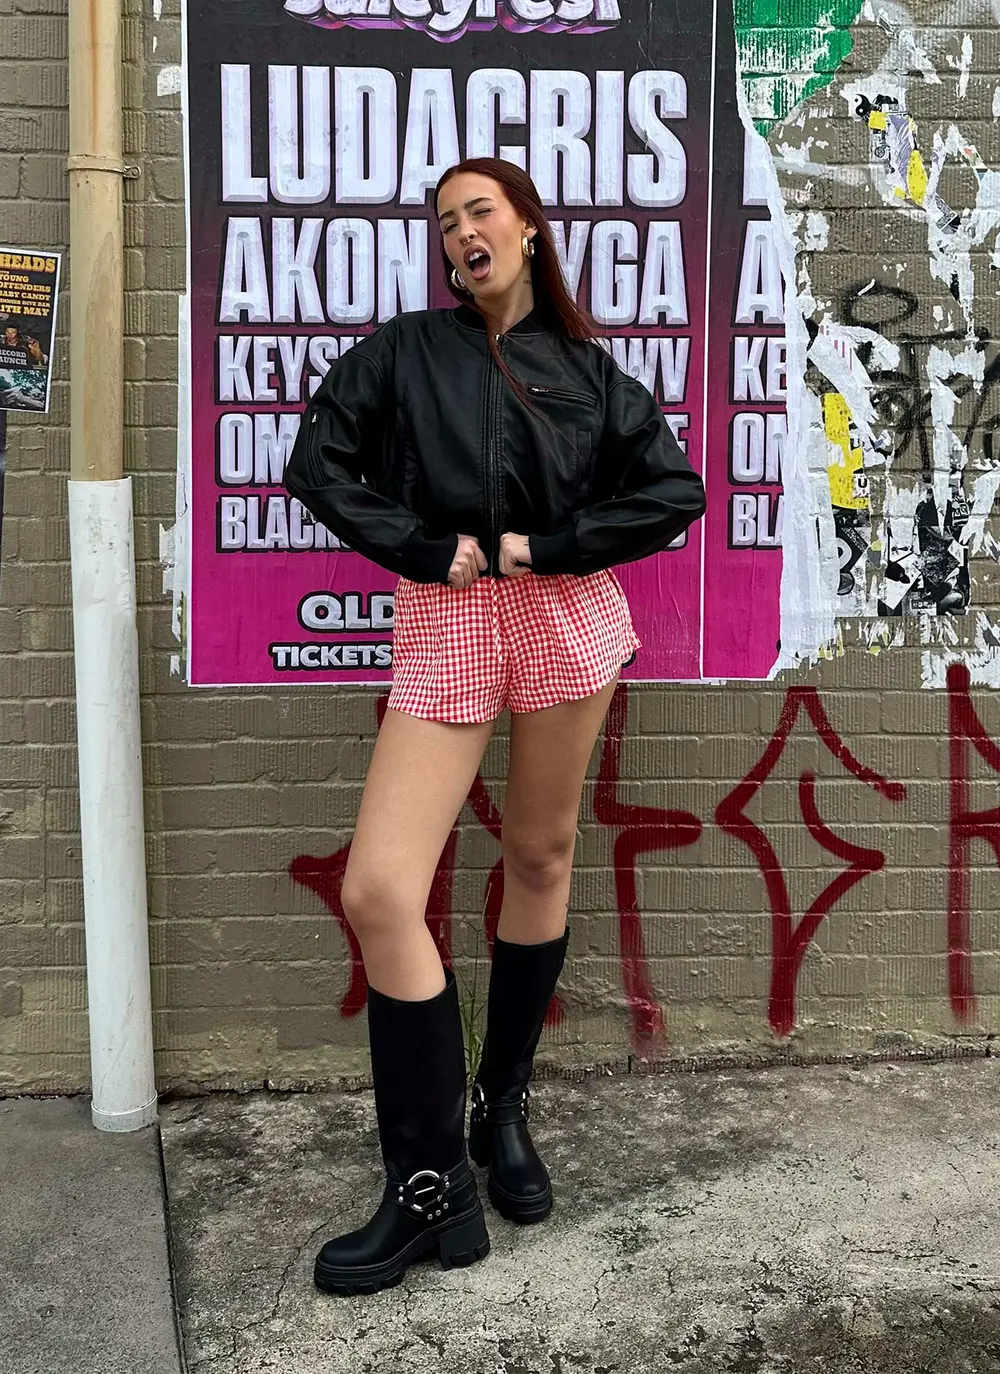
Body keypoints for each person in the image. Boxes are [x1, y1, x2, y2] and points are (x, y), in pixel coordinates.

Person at [283, 156, 706, 1298]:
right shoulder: (404, 353)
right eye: (444, 221)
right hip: (449, 617)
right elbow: (314, 464)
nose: (460, 230)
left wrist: (549, 547)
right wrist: (425, 548)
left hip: (565, 616)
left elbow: (674, 492)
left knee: (539, 854)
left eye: (479, 210)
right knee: (380, 888)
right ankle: (430, 1191)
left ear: (524, 225)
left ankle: (498, 1111)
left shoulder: (586, 370)